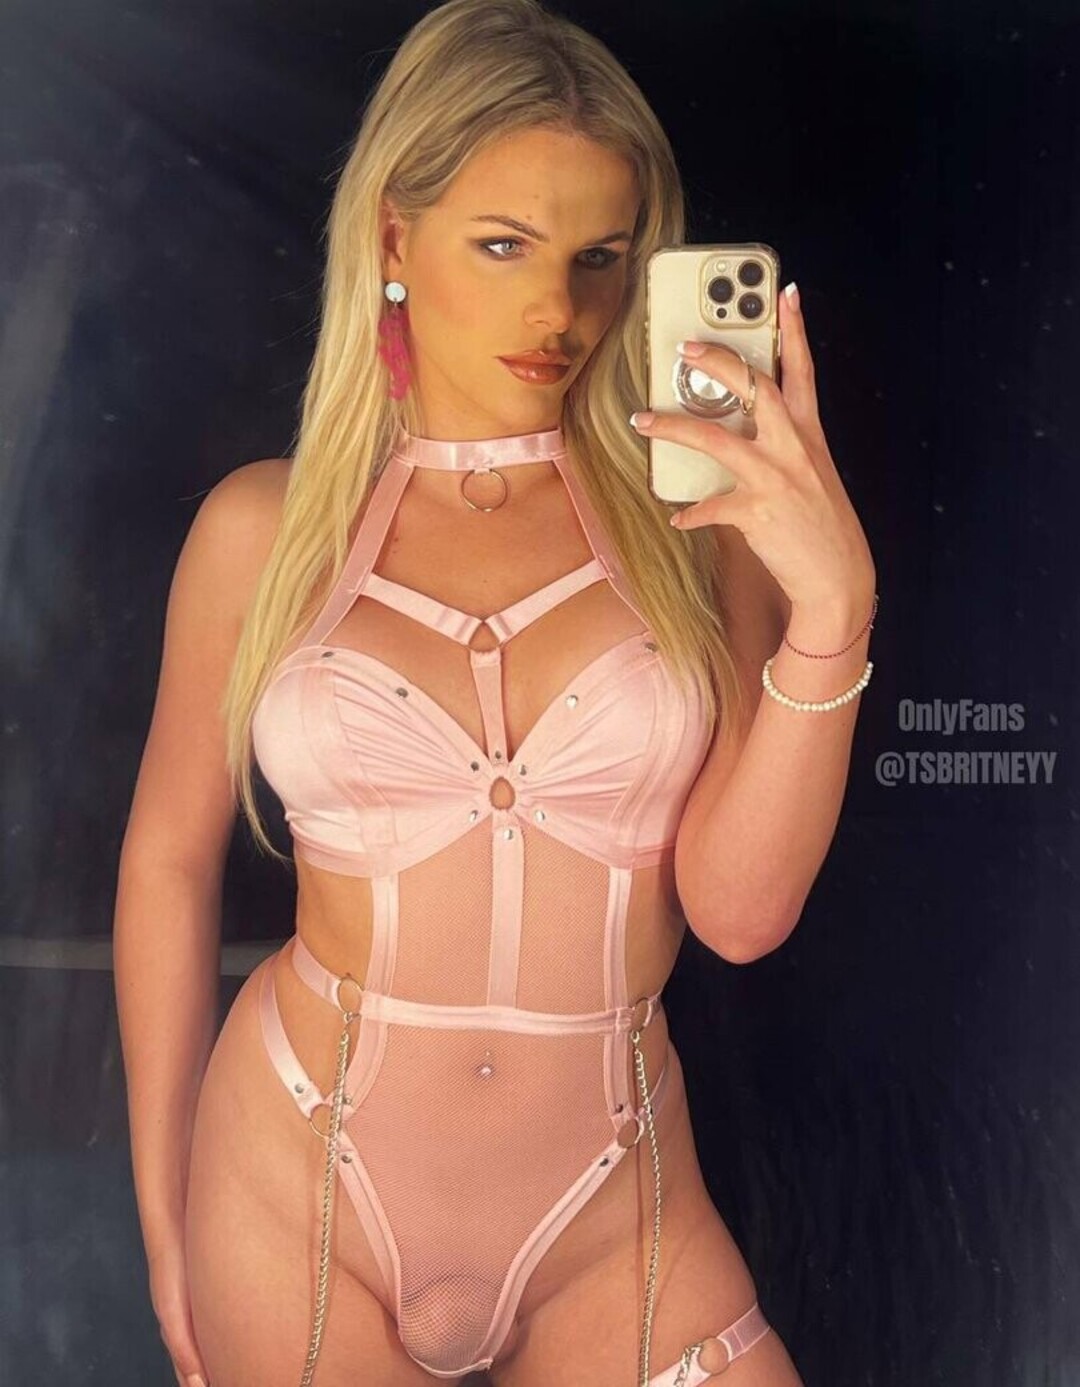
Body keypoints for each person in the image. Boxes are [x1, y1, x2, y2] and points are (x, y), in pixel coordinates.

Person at [113, 1, 876, 1384]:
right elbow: (168, 858)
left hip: (614, 1216)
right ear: (394, 239)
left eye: (600, 258)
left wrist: (830, 612)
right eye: (506, 245)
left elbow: (740, 914)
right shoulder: (263, 530)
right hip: (296, 1188)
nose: (558, 311)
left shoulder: (702, 531)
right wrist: (165, 1216)